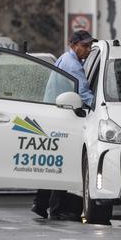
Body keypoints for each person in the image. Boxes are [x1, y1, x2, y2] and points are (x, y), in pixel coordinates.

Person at [31, 30, 97, 220]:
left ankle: (40, 203)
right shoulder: (74, 65)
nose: (88, 49)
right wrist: (99, 107)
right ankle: (56, 209)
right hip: (62, 118)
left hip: (52, 115)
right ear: (73, 45)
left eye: (89, 46)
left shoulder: (64, 58)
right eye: (84, 46)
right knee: (62, 163)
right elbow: (84, 93)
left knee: (53, 162)